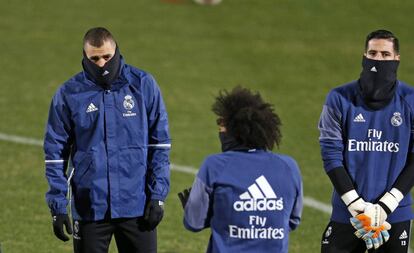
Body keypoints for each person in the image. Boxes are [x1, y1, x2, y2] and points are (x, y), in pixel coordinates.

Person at [44, 27, 171, 253]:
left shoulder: (143, 85)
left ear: (116, 51)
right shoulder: (68, 94)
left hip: (137, 206)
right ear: (85, 56)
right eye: (94, 58)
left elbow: (159, 145)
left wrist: (158, 195)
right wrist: (58, 206)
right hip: (90, 207)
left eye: (106, 57)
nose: (102, 64)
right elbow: (54, 153)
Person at [318, 29, 414, 253]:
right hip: (348, 213)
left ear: (396, 58)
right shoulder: (338, 98)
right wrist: (358, 206)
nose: (378, 60)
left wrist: (385, 206)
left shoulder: (411, 100)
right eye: (372, 53)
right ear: (364, 55)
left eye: (385, 55)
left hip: (394, 215)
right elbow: (330, 156)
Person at [178, 86, 303, 253]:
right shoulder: (289, 167)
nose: (220, 131)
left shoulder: (214, 165)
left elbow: (194, 223)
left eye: (222, 125)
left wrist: (204, 212)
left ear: (235, 130)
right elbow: (293, 221)